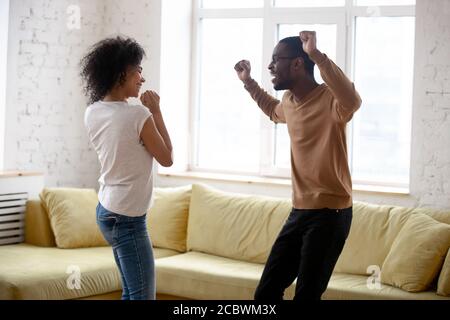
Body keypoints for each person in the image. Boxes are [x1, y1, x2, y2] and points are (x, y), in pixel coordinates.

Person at [234, 31, 362, 301]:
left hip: (331, 213)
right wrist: (248, 83)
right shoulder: (288, 102)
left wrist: (316, 54)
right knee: (266, 294)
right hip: (299, 211)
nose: (270, 67)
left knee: (306, 296)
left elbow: (353, 100)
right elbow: (271, 109)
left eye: (276, 60)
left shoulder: (332, 101)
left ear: (297, 64)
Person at [80, 36, 173, 300]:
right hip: (128, 220)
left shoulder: (93, 111)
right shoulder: (137, 115)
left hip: (107, 210)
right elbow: (166, 158)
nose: (142, 78)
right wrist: (156, 110)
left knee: (131, 293)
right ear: (123, 73)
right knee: (143, 297)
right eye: (139, 71)